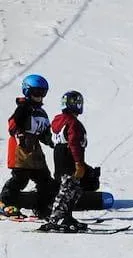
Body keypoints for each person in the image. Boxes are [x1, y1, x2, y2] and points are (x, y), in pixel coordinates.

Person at [1, 74, 55, 218]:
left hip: (35, 150)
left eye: (42, 93)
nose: (39, 96)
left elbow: (45, 132)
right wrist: (19, 134)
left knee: (46, 180)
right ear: (27, 91)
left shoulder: (42, 113)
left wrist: (51, 141)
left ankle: (41, 207)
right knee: (20, 178)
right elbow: (12, 125)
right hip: (21, 149)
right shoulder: (23, 108)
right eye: (36, 92)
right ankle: (5, 202)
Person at [40, 90, 90, 232]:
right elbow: (74, 142)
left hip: (59, 154)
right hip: (69, 156)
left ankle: (66, 216)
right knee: (68, 188)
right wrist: (78, 163)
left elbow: (50, 137)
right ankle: (57, 218)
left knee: (74, 188)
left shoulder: (58, 120)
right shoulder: (73, 122)